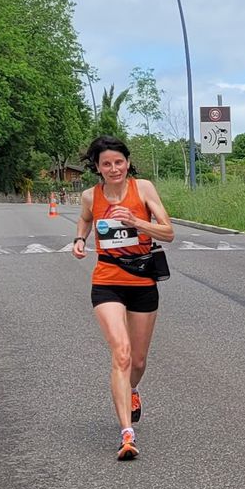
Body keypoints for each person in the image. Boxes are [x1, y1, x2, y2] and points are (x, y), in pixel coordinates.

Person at [72, 135, 174, 460]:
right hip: (107, 280)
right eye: (106, 164)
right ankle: (126, 434)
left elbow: (168, 232)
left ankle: (131, 390)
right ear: (97, 168)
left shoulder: (142, 189)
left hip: (143, 278)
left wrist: (136, 221)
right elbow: (87, 218)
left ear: (127, 163)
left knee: (139, 362)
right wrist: (79, 238)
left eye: (119, 162)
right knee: (122, 354)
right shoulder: (90, 196)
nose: (114, 168)